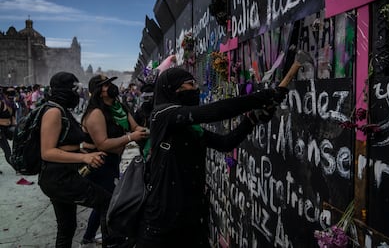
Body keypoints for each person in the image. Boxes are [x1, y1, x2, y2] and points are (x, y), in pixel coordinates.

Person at [135, 67, 288, 247]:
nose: (196, 88)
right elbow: (214, 112)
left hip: (191, 220)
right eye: (190, 84)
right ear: (173, 88)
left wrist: (252, 119)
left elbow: (225, 143)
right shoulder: (162, 115)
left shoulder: (191, 127)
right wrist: (264, 96)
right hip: (161, 226)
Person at [37, 72, 117, 248]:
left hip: (60, 176)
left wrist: (84, 152)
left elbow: (64, 145)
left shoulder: (61, 110)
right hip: (59, 178)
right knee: (108, 203)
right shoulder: (54, 112)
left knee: (66, 228)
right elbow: (47, 152)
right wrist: (84, 156)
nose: (77, 92)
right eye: (74, 88)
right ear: (64, 90)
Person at [80, 75, 149, 246]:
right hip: (98, 163)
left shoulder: (119, 107)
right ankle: (110, 242)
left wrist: (147, 131)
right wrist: (130, 137)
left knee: (106, 201)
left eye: (110, 83)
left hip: (113, 161)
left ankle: (89, 236)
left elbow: (135, 127)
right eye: (105, 85)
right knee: (109, 202)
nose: (111, 86)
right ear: (99, 91)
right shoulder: (96, 113)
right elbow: (102, 144)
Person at [0, 87, 17, 172]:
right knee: (7, 150)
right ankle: (16, 167)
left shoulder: (12, 104)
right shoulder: (1, 104)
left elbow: (13, 118)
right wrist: (3, 122)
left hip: (6, 130)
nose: (12, 95)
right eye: (9, 93)